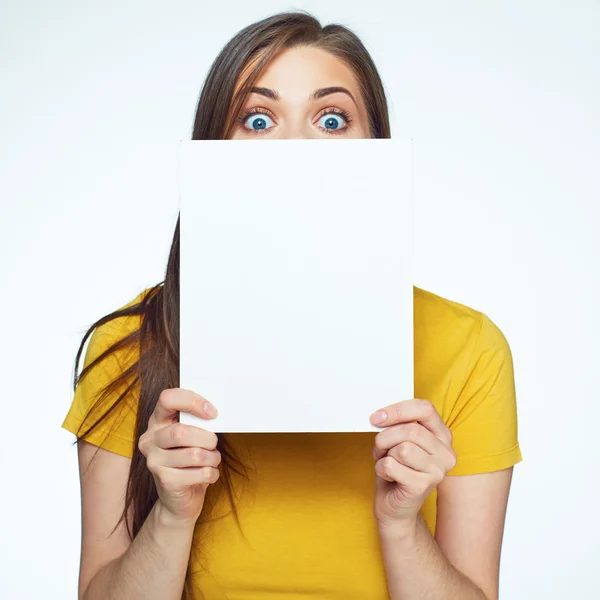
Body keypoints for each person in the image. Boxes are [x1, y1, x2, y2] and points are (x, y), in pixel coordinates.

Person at [62, 11, 522, 600]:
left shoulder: (469, 347)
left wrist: (402, 526)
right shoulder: (130, 346)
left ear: (376, 149)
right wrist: (173, 516)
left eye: (331, 119)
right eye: (258, 119)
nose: (297, 147)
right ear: (211, 148)